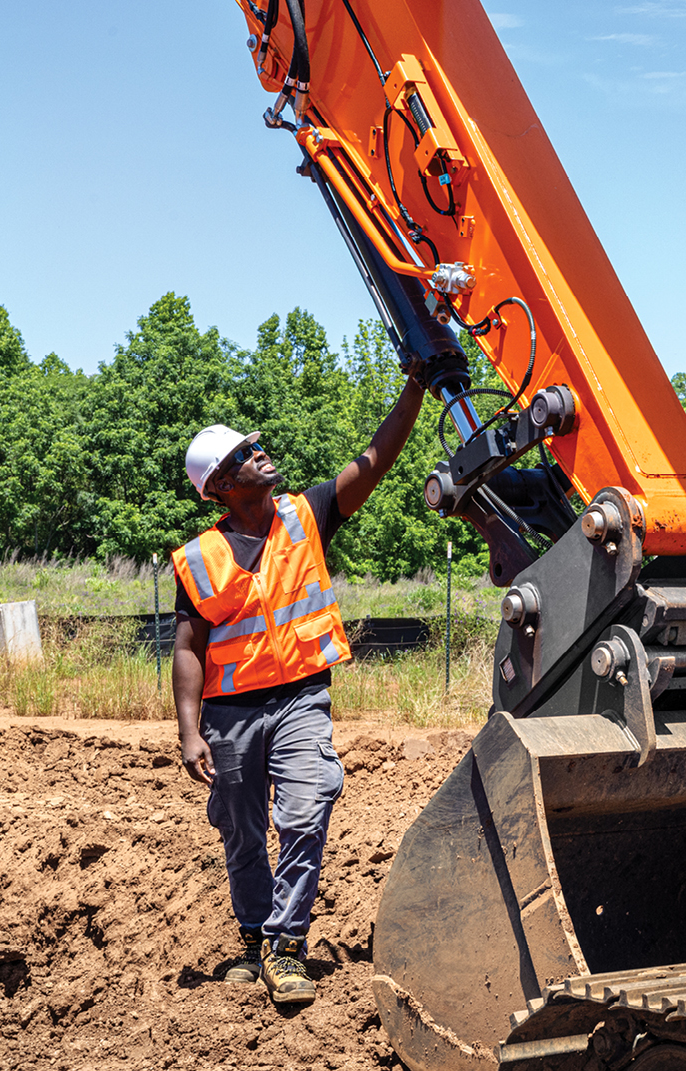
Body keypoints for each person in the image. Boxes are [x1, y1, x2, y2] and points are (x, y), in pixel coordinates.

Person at [171, 368, 425, 1004]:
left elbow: (374, 460)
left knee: (307, 810)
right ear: (223, 486)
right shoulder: (200, 559)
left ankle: (287, 948)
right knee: (242, 828)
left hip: (302, 698)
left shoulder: (304, 515)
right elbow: (187, 650)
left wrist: (414, 389)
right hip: (230, 714)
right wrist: (188, 730)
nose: (262, 455)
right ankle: (254, 938)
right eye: (245, 455)